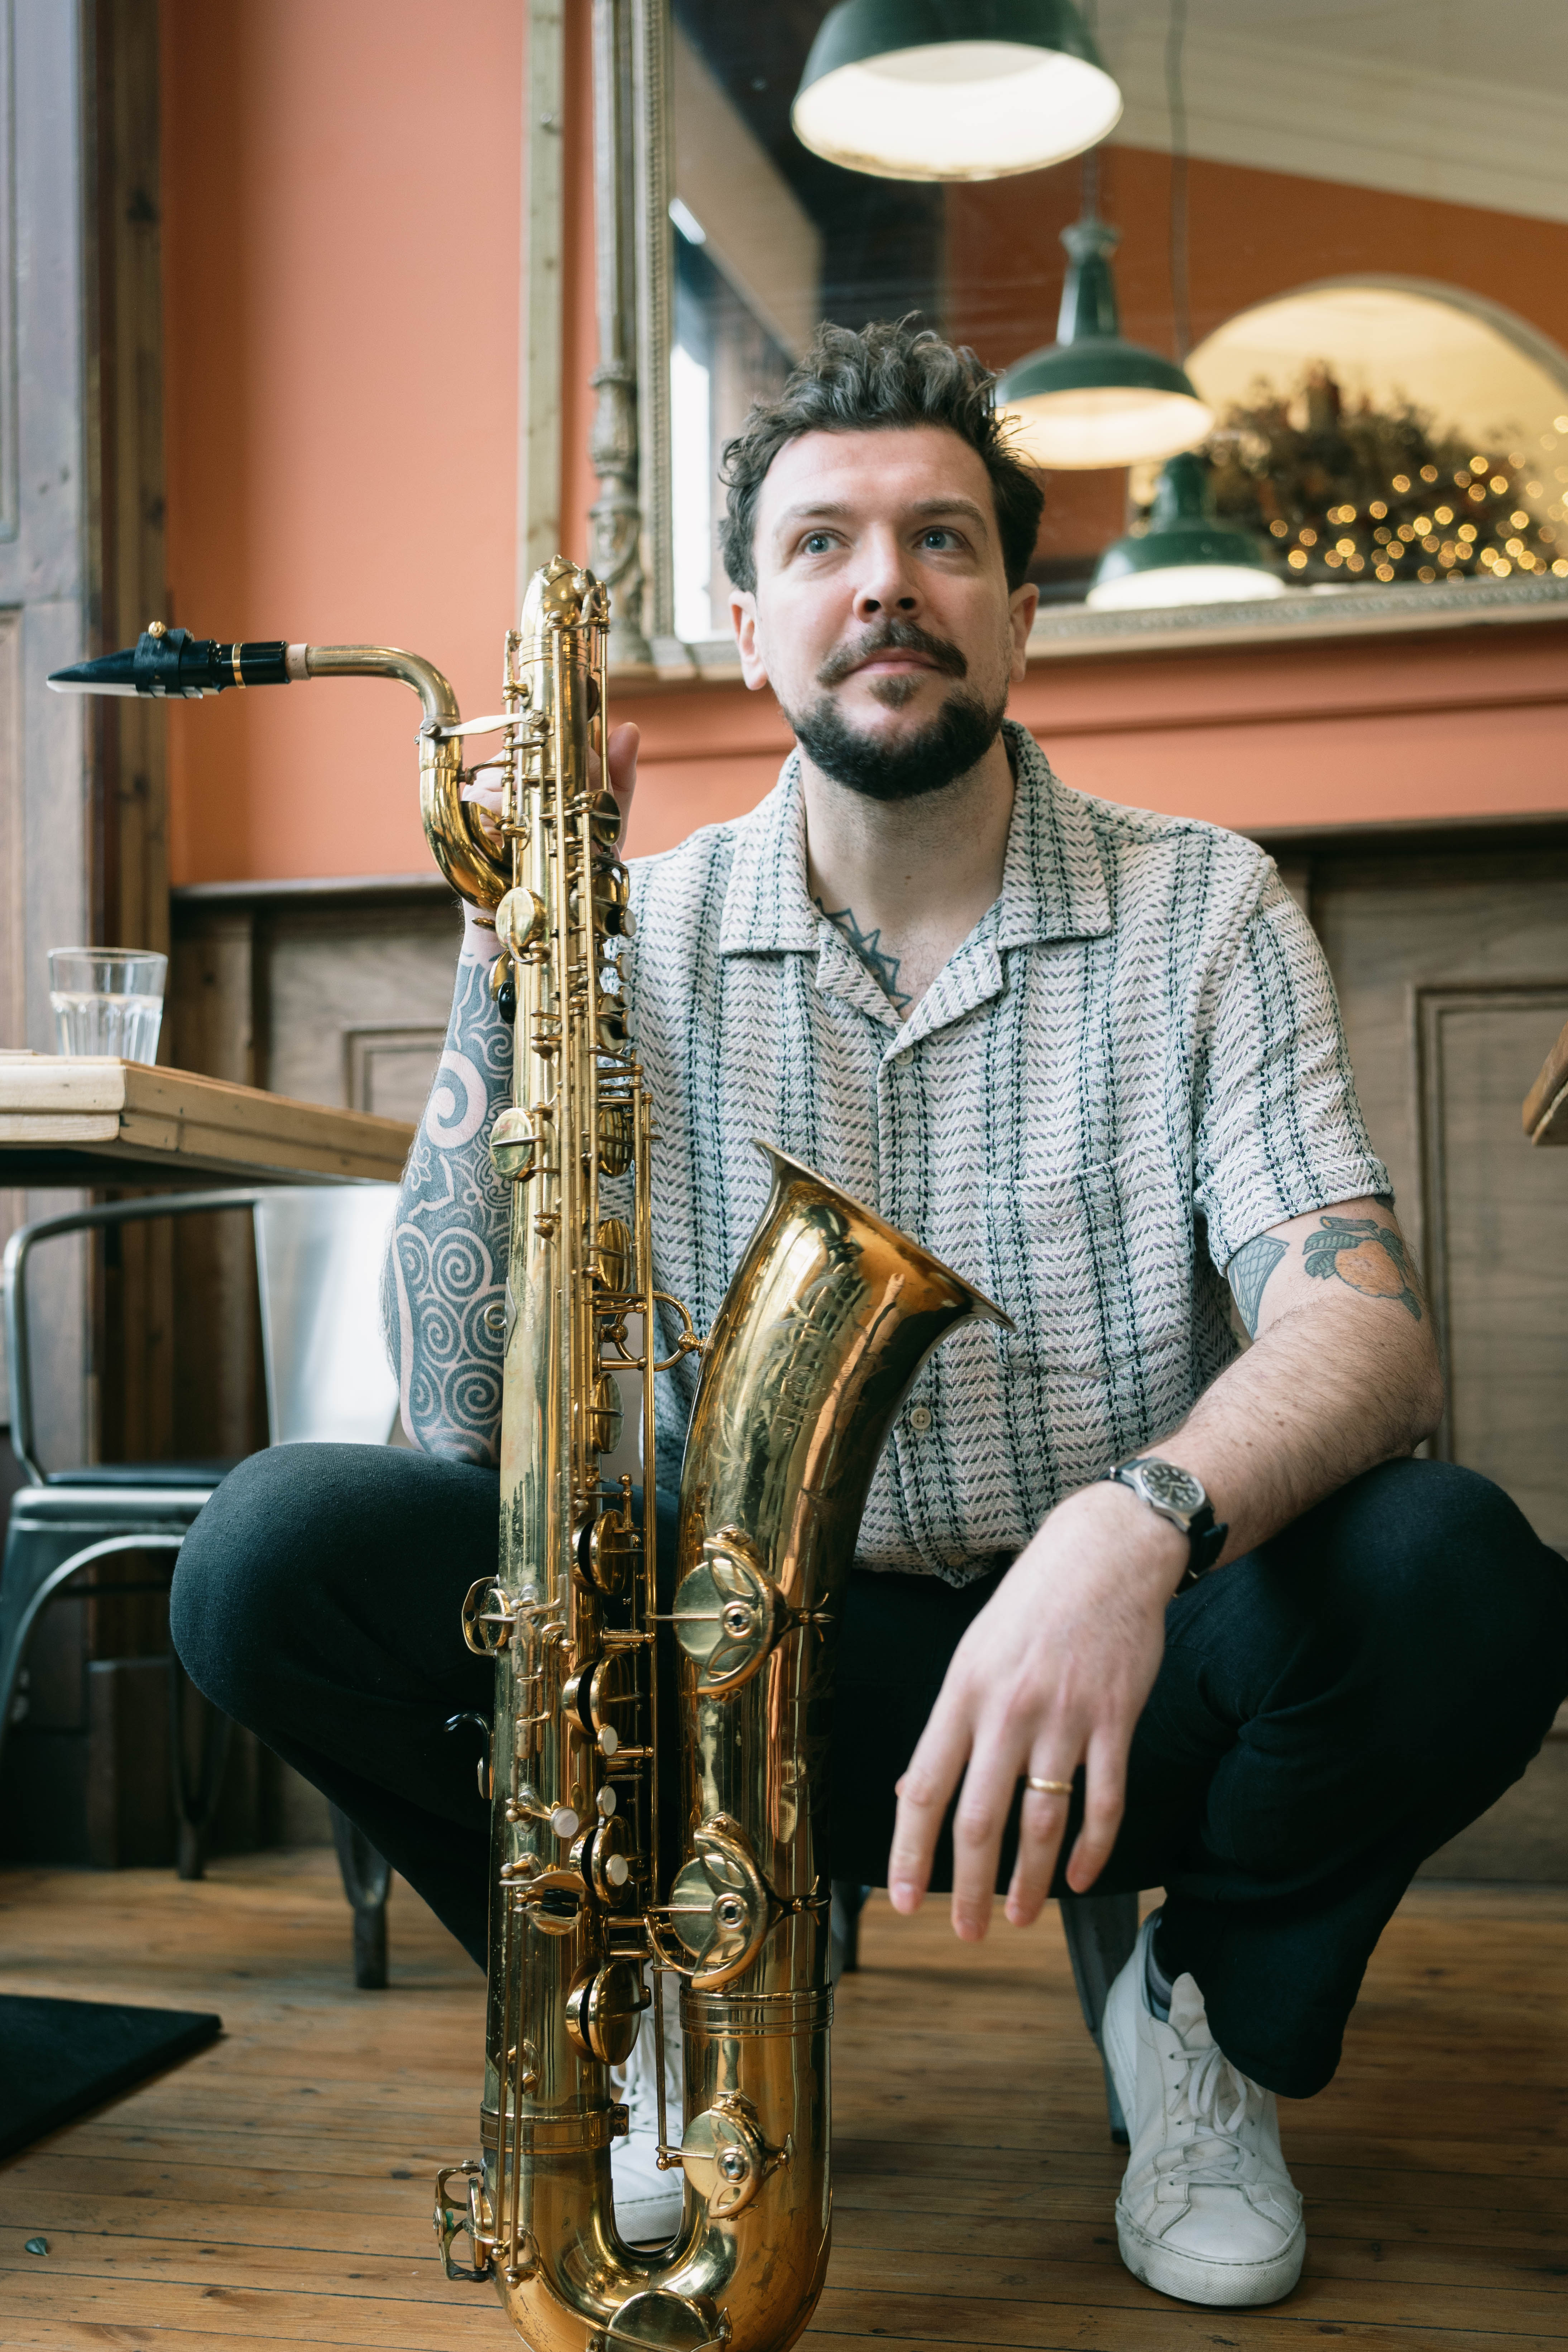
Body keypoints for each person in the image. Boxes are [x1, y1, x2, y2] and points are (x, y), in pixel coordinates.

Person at [171, 320, 1568, 2313]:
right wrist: (505, 969)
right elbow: (461, 1429)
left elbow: (1366, 1334)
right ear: (751, 628)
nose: (886, 582)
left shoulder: (1208, 907)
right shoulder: (618, 933)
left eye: (942, 540)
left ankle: (1211, 2019)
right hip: (727, 1689)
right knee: (266, 1559)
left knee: (1467, 1573)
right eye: (824, 544)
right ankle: (621, 1990)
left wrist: (1136, 1524)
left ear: (1016, 621)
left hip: (1109, 1668)